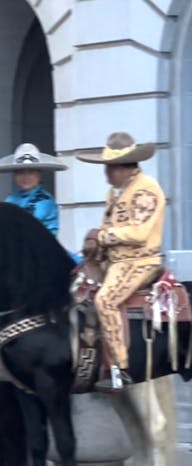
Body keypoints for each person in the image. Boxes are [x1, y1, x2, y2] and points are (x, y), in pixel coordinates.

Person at [77, 132, 166, 390]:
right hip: (114, 262)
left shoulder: (147, 189)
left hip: (140, 261)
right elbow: (108, 226)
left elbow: (139, 233)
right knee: (77, 290)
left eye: (109, 168)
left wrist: (102, 236)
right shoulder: (114, 193)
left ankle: (120, 368)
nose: (106, 173)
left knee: (105, 300)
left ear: (124, 167)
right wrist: (95, 246)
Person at [0, 143, 70, 338]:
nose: (25, 177)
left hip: (40, 256)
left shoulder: (44, 201)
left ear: (39, 174)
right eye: (20, 172)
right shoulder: (10, 200)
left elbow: (32, 235)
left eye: (31, 172)